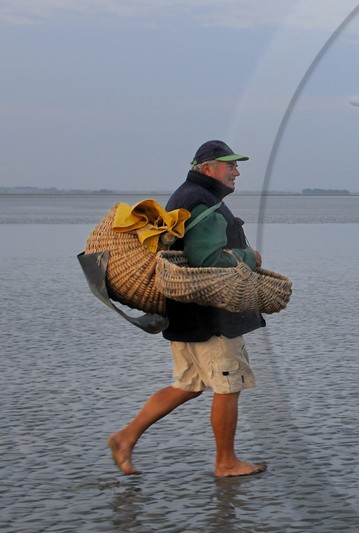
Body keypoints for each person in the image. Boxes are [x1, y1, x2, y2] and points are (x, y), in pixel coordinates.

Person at [107, 140, 268, 478]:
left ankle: (126, 437)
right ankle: (226, 462)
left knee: (189, 385)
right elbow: (205, 259)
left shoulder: (187, 195)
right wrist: (248, 258)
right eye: (230, 165)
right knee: (228, 385)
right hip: (212, 316)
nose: (237, 171)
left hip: (183, 310)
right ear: (207, 168)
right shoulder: (202, 202)